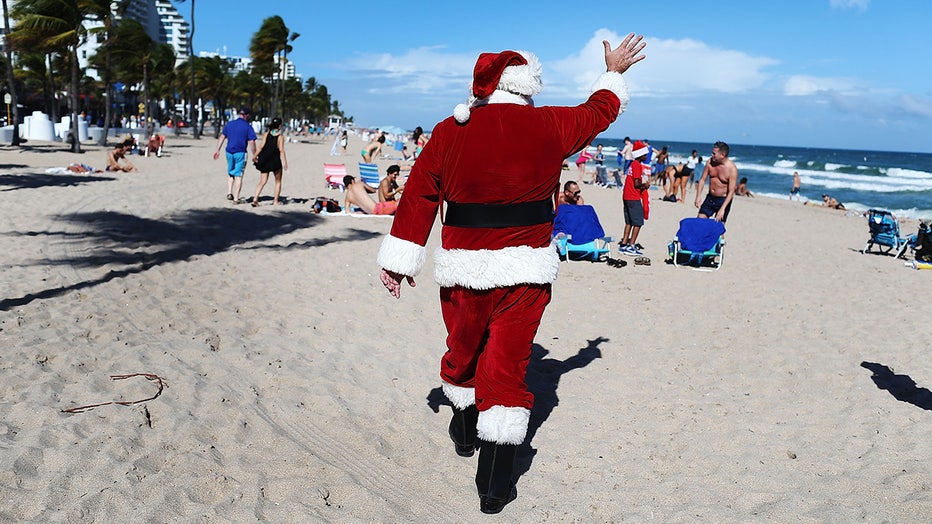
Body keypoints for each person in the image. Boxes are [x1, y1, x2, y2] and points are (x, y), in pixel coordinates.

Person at [377, 36, 646, 514]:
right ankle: (495, 487)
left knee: (463, 351)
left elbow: (419, 194)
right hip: (526, 272)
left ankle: (464, 427)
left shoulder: (450, 130)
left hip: (463, 270)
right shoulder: (550, 124)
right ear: (528, 85)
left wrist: (399, 261)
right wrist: (614, 71)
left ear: (482, 87)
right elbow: (598, 110)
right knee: (507, 367)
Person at [213, 107, 257, 203]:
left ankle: (229, 192)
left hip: (229, 152)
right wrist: (255, 154)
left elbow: (222, 137)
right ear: (247, 115)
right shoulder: (248, 127)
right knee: (239, 175)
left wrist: (217, 150)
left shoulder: (230, 124)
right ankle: (236, 199)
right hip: (240, 152)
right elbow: (252, 142)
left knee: (230, 172)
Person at [694, 141, 738, 222]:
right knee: (699, 222)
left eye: (714, 153)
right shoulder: (710, 163)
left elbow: (731, 191)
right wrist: (698, 196)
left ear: (722, 155)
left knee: (719, 230)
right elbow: (702, 180)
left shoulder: (731, 169)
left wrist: (722, 209)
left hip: (723, 200)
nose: (712, 155)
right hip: (710, 198)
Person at [620, 140, 650, 255]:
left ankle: (624, 244)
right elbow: (637, 183)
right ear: (640, 155)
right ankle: (631, 245)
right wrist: (645, 186)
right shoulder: (637, 165)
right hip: (633, 197)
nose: (646, 156)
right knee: (638, 222)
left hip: (627, 196)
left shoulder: (633, 164)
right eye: (645, 154)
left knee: (629, 222)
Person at [250, 117, 288, 207]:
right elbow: (282, 150)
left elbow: (261, 146)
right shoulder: (280, 137)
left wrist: (255, 155)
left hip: (265, 159)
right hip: (275, 160)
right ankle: (275, 201)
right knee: (278, 181)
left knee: (262, 181)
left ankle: (255, 199)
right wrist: (285, 162)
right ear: (279, 126)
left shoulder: (266, 134)